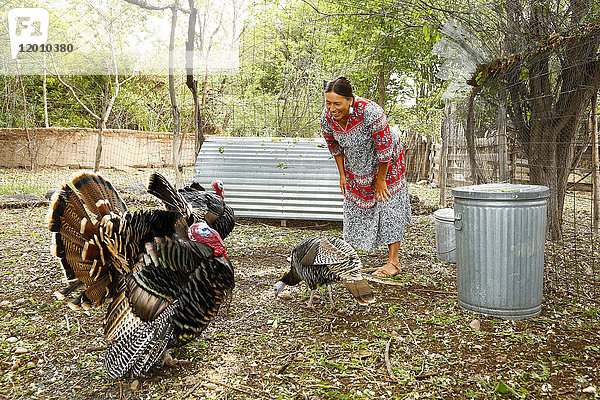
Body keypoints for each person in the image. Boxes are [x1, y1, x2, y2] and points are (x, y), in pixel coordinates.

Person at [320, 77, 411, 277]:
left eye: (337, 103)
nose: (332, 108)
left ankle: (393, 262)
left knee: (388, 205)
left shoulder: (370, 112)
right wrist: (342, 175)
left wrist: (381, 180)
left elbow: (385, 147)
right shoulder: (327, 118)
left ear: (350, 100)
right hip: (356, 165)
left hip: (387, 162)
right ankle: (349, 259)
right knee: (353, 206)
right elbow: (334, 147)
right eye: (328, 103)